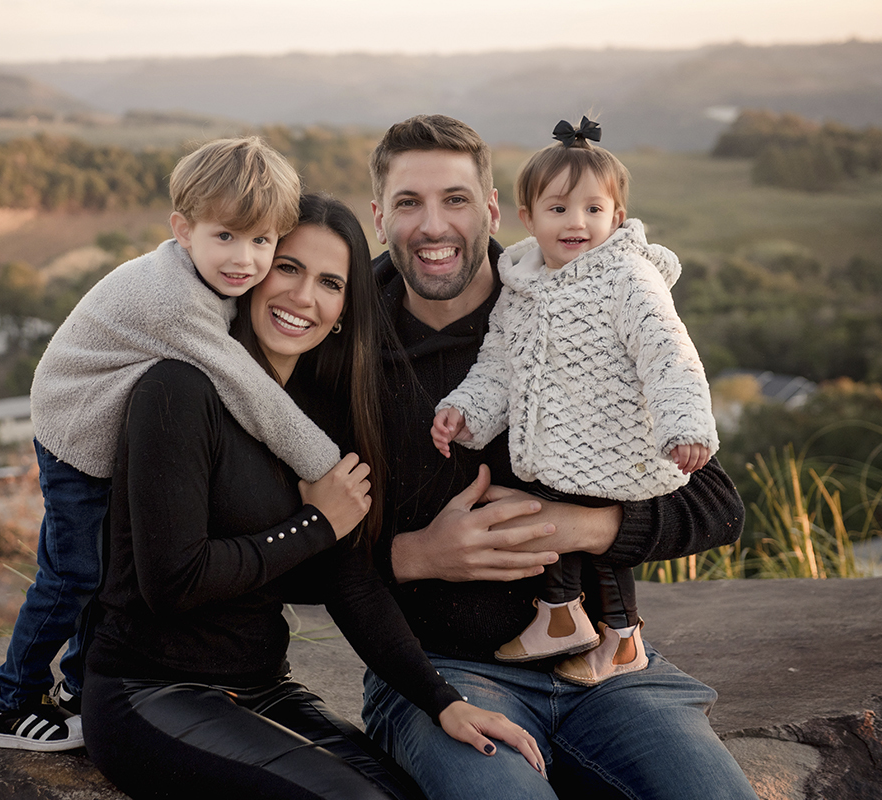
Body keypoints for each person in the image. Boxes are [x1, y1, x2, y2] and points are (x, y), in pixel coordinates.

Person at [82, 193, 545, 800]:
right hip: (149, 692)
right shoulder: (179, 388)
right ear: (252, 270)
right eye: (290, 268)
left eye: (331, 283)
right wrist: (316, 524)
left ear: (346, 309)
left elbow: (350, 581)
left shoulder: (320, 418)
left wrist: (443, 702)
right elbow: (173, 581)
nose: (304, 299)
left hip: (264, 688)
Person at [363, 115, 758, 799]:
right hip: (441, 673)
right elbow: (287, 554)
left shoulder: (590, 302)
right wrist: (417, 556)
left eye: (455, 199)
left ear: (490, 211)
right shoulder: (348, 346)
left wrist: (582, 528)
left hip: (610, 672)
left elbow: (716, 507)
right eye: (408, 203)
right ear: (379, 216)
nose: (433, 225)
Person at [0, 137, 344, 751]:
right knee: (72, 573)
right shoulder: (174, 300)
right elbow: (247, 390)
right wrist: (322, 465)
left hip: (96, 414)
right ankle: (11, 702)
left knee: (99, 568)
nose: (244, 260)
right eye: (226, 237)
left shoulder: (198, 276)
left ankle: (74, 686)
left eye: (262, 242)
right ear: (183, 228)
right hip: (76, 429)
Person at [430, 117, 719, 684]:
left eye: (594, 209)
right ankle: (560, 616)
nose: (577, 222)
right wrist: (467, 411)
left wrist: (684, 425)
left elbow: (669, 354)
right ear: (527, 218)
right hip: (550, 445)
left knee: (605, 548)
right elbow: (499, 365)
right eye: (558, 209)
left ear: (617, 216)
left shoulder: (629, 280)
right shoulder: (521, 286)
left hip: (615, 442)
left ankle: (623, 639)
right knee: (544, 512)